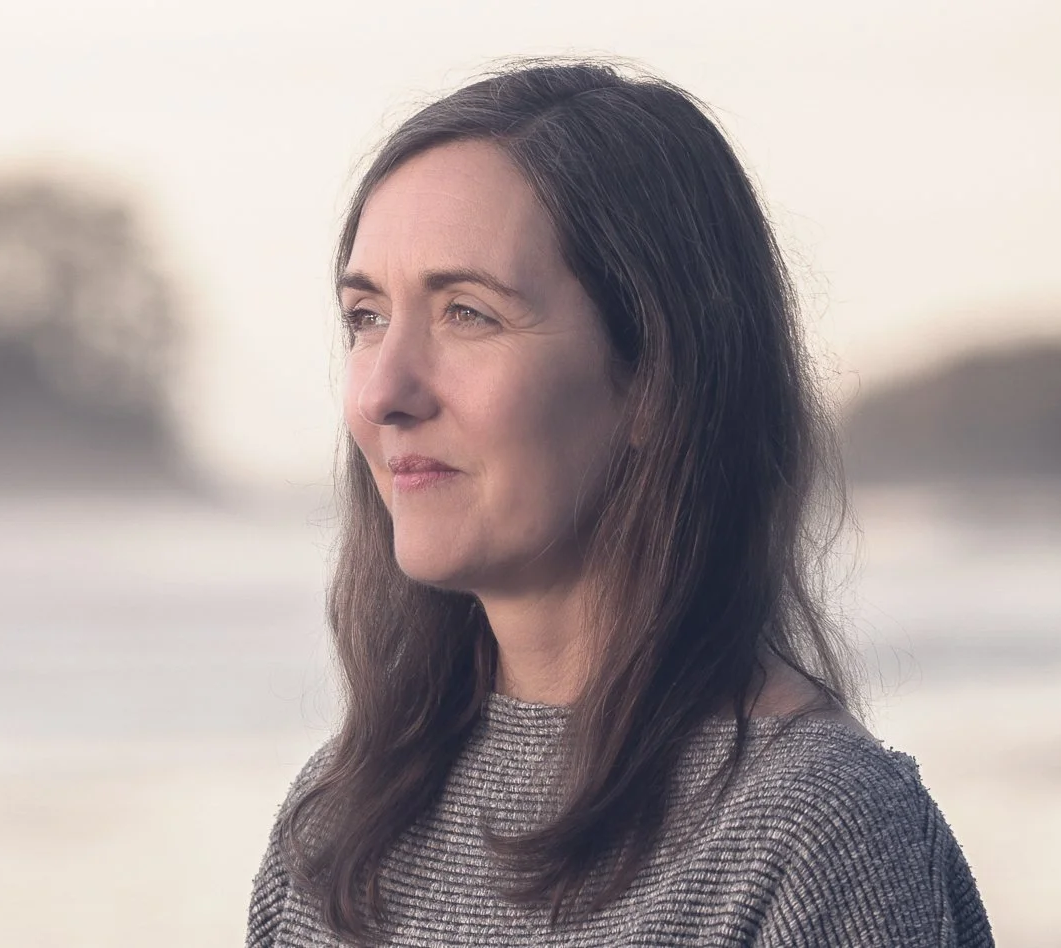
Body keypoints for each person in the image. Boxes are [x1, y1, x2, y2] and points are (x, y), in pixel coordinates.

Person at [246, 59, 994, 947]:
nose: (383, 394)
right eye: (366, 317)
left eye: (468, 314)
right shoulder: (338, 828)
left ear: (655, 380)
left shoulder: (814, 832)